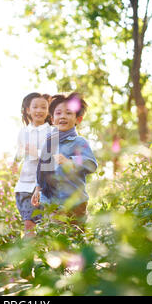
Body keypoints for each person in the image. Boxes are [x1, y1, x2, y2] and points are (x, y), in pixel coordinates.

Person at [31, 92, 97, 225]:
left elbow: (91, 164)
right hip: (51, 203)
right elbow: (42, 168)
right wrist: (37, 188)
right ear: (52, 118)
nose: (63, 116)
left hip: (74, 202)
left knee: (75, 237)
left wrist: (70, 161)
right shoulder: (48, 143)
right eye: (58, 113)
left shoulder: (79, 142)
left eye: (68, 113)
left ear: (78, 119)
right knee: (56, 238)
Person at [12, 92, 53, 236]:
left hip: (43, 186)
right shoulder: (23, 132)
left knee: (38, 225)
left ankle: (34, 254)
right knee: (28, 224)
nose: (39, 110)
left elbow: (51, 159)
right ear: (28, 110)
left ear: (48, 111)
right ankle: (30, 255)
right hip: (24, 184)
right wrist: (15, 162)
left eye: (43, 107)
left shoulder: (52, 131)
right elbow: (19, 151)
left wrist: (37, 153)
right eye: (35, 107)